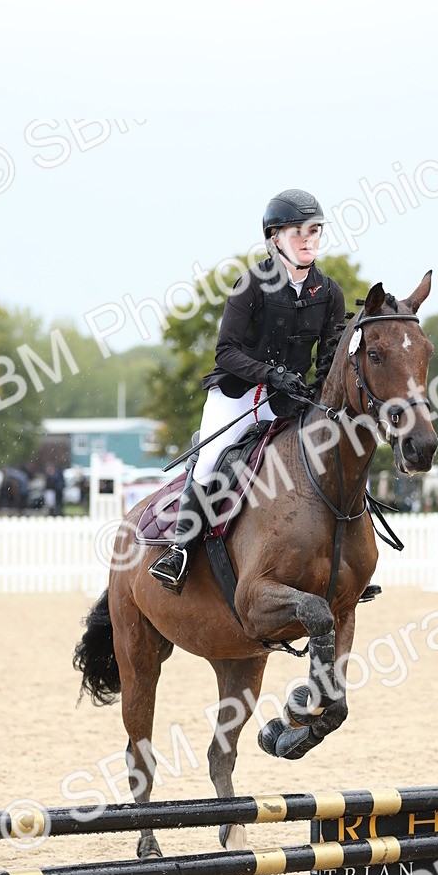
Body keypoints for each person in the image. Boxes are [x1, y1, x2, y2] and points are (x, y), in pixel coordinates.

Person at [149, 188, 346, 593]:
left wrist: (315, 392)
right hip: (236, 397)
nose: (308, 239)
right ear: (275, 238)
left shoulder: (329, 294)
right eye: (298, 232)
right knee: (208, 463)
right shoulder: (252, 285)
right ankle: (180, 551)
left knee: (331, 459)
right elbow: (226, 352)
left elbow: (328, 362)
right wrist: (272, 374)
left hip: (287, 405)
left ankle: (341, 563)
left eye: (315, 231)